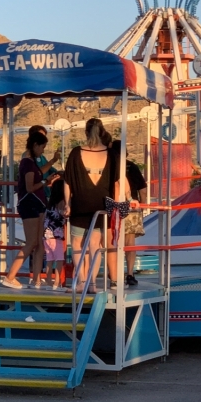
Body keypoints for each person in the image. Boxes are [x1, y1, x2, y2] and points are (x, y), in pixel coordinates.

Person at [63, 118, 118, 289]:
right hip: (101, 204)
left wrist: (67, 204)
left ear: (86, 133)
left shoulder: (76, 153)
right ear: (102, 133)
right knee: (96, 245)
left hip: (80, 203)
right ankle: (92, 283)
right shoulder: (111, 154)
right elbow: (116, 183)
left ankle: (81, 281)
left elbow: (67, 182)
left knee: (77, 243)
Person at [1, 131, 49, 289]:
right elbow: (29, 187)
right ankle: (10, 276)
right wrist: (45, 182)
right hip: (29, 204)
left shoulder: (32, 162)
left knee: (37, 242)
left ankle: (34, 279)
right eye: (42, 147)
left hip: (36, 204)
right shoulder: (27, 163)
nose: (43, 150)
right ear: (35, 145)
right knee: (31, 242)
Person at [105, 134, 149, 286]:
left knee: (113, 241)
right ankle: (130, 273)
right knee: (130, 242)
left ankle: (114, 274)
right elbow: (143, 190)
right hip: (131, 207)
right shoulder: (132, 167)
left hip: (112, 206)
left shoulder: (108, 168)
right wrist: (142, 207)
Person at [43, 179, 67, 289]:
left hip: (46, 235)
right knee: (59, 259)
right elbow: (64, 214)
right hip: (56, 235)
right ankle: (57, 282)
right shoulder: (61, 203)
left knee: (49, 260)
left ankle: (48, 281)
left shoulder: (50, 204)